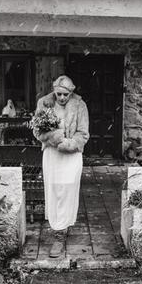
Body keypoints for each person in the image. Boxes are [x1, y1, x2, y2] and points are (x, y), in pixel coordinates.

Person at [34, 75, 89, 258]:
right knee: (54, 190)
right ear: (54, 91)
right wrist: (56, 139)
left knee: (67, 190)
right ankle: (57, 229)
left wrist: (69, 144)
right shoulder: (44, 103)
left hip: (72, 156)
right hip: (52, 154)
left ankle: (61, 231)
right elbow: (37, 130)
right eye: (59, 94)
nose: (62, 98)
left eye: (66, 94)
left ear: (71, 93)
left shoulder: (80, 105)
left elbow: (83, 133)